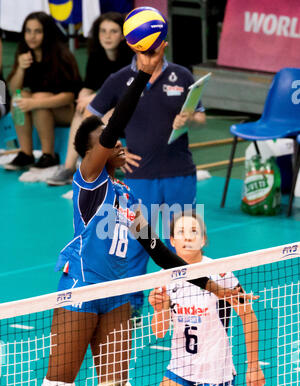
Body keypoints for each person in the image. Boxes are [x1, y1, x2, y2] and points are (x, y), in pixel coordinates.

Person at [14, 44, 249, 386]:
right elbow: (111, 125)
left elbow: (161, 251)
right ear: (94, 154)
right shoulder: (90, 183)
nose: (120, 144)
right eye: (112, 142)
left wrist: (215, 287)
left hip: (122, 298)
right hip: (84, 290)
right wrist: (141, 74)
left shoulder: (126, 197)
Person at [85, 46, 206, 323]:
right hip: (139, 178)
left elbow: (201, 117)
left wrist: (190, 120)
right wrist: (115, 151)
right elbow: (92, 118)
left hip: (180, 173)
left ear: (163, 44)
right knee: (137, 243)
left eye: (155, 45)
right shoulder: (119, 79)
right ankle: (132, 304)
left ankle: (186, 298)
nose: (150, 51)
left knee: (185, 240)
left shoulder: (182, 76)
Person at [147, 211, 266, 386]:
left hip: (215, 372)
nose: (188, 237)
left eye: (194, 232)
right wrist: (158, 309)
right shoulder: (164, 277)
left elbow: (248, 317)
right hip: (180, 369)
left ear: (204, 240)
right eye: (181, 232)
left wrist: (253, 366)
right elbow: (160, 332)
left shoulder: (220, 274)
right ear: (171, 241)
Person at [46, 12, 133, 186]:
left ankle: (98, 167)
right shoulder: (96, 56)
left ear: (123, 35)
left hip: (132, 112)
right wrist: (83, 98)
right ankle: (69, 168)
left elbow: (128, 94)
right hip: (107, 109)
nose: (107, 36)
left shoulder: (131, 58)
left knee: (107, 114)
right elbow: (88, 86)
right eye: (103, 31)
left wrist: (93, 98)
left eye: (113, 31)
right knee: (81, 113)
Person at [5, 11, 81, 171]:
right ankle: (26, 153)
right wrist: (20, 67)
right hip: (42, 109)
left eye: (37, 31)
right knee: (20, 97)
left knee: (39, 99)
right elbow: (13, 90)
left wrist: (35, 102)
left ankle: (49, 155)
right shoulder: (25, 54)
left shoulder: (61, 55)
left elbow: (69, 97)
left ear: (47, 33)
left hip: (69, 111)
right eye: (28, 31)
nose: (32, 36)